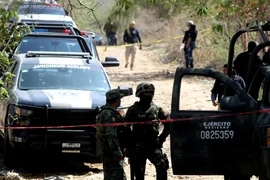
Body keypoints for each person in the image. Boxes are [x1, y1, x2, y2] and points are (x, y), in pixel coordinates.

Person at [124, 82, 170, 180]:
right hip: (138, 146)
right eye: (146, 93)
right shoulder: (133, 109)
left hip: (153, 145)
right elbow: (125, 128)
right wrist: (128, 145)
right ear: (140, 94)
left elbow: (168, 125)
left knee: (162, 165)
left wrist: (161, 138)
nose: (149, 96)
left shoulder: (156, 109)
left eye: (151, 93)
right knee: (139, 172)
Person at [96, 89, 127, 180]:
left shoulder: (104, 112)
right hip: (111, 153)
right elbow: (111, 135)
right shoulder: (110, 115)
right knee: (119, 176)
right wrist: (117, 153)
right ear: (117, 100)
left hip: (106, 151)